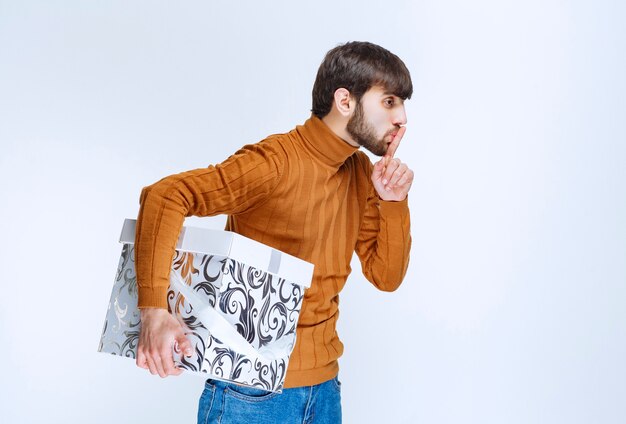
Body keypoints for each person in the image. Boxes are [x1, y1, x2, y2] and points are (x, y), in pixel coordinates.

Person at [133, 41, 414, 423]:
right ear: (345, 101)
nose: (402, 118)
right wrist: (153, 311)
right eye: (390, 101)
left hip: (325, 389)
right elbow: (167, 196)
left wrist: (393, 203)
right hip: (249, 393)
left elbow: (386, 276)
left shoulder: (362, 173)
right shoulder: (275, 163)